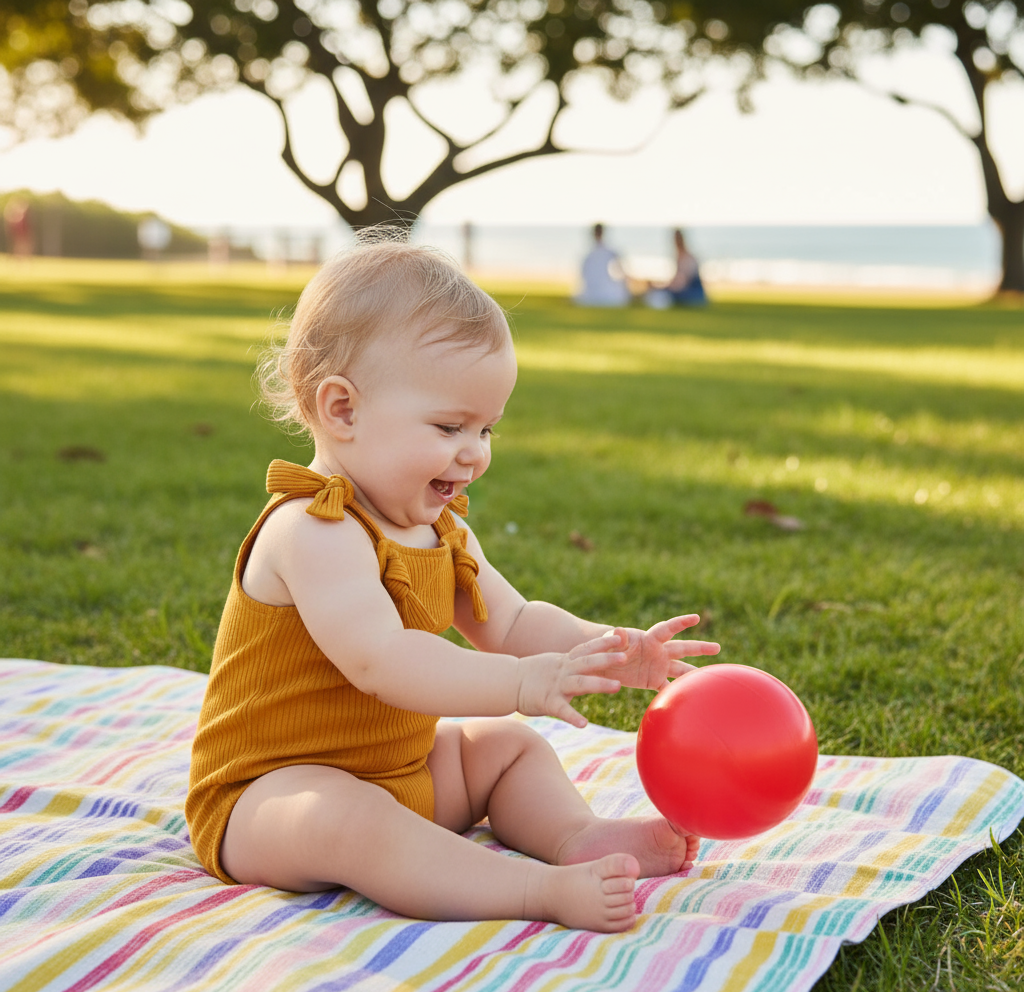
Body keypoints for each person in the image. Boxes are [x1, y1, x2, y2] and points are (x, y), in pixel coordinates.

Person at [186, 237, 720, 934]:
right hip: (269, 799)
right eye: (449, 427)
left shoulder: (440, 530)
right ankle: (532, 890)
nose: (475, 453)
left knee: (507, 748)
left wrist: (610, 648)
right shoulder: (312, 529)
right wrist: (523, 682)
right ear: (342, 410)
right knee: (349, 816)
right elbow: (383, 661)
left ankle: (574, 838)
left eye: (487, 428)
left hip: (403, 772)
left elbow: (513, 622)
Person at [646, 229, 707, 308]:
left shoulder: (688, 258)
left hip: (694, 295)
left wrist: (664, 287)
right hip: (689, 292)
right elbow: (677, 281)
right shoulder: (679, 257)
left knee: (665, 294)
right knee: (661, 292)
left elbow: (682, 283)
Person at [574, 223, 631, 307]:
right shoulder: (610, 252)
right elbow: (623, 273)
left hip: (590, 295)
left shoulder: (588, 255)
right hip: (609, 295)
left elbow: (582, 275)